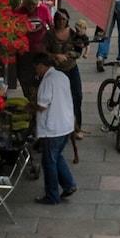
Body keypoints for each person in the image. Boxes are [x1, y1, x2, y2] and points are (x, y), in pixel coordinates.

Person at [27, 54, 77, 205]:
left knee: (49, 162)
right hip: (66, 125)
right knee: (57, 157)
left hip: (53, 128)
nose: (35, 71)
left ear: (42, 65)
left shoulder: (48, 81)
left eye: (36, 67)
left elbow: (42, 105)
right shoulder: (62, 76)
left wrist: (30, 107)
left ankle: (52, 195)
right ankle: (69, 184)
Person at [47, 10, 87, 161]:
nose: (61, 21)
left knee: (77, 96)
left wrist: (69, 55)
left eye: (63, 19)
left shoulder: (72, 33)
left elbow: (79, 50)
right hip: (56, 71)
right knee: (58, 100)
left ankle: (77, 127)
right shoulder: (50, 35)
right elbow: (45, 51)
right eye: (58, 19)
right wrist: (55, 56)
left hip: (71, 69)